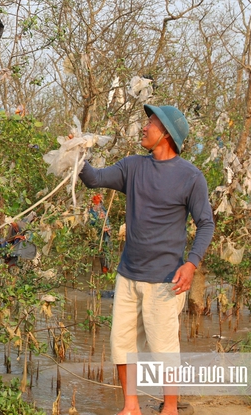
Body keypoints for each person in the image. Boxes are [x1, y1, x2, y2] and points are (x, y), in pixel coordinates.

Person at [79, 105, 214, 415]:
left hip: (165, 281)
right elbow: (94, 179)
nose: (143, 127)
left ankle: (169, 408)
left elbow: (205, 223)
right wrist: (76, 156)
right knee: (121, 344)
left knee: (164, 349)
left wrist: (191, 263)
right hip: (128, 275)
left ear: (166, 133)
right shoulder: (132, 167)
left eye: (150, 123)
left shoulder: (191, 177)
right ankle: (131, 407)